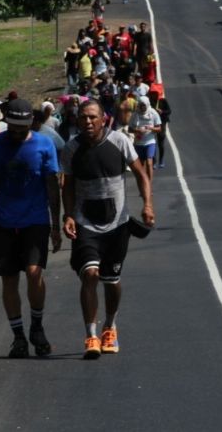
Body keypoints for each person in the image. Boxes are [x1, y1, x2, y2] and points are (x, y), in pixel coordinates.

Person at [61, 99, 155, 359]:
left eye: (92, 117)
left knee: (111, 280)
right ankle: (91, 335)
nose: (87, 122)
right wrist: (68, 215)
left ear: (103, 119)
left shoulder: (120, 142)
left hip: (117, 225)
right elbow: (67, 184)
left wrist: (147, 205)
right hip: (85, 222)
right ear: (77, 121)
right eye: (83, 118)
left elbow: (140, 173)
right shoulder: (71, 149)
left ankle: (109, 327)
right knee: (90, 274)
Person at [0, 99, 62, 358]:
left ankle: (37, 327)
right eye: (12, 127)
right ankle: (18, 336)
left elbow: (52, 186)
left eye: (22, 127)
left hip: (35, 220)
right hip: (5, 222)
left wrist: (55, 225)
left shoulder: (44, 144)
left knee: (34, 271)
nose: (17, 132)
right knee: (9, 278)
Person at [128, 97, 161, 183]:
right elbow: (129, 129)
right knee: (141, 165)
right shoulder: (135, 114)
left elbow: (159, 128)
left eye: (144, 106)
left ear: (147, 104)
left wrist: (151, 128)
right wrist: (138, 130)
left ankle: (149, 185)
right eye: (141, 105)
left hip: (150, 141)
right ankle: (144, 183)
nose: (143, 107)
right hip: (138, 143)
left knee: (149, 162)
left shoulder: (153, 113)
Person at [151, 92, 171, 169]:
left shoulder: (163, 101)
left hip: (162, 123)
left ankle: (161, 160)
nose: (154, 96)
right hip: (153, 124)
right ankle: (154, 161)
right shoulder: (151, 102)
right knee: (153, 143)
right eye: (153, 94)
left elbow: (169, 111)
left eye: (156, 94)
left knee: (161, 143)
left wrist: (162, 112)